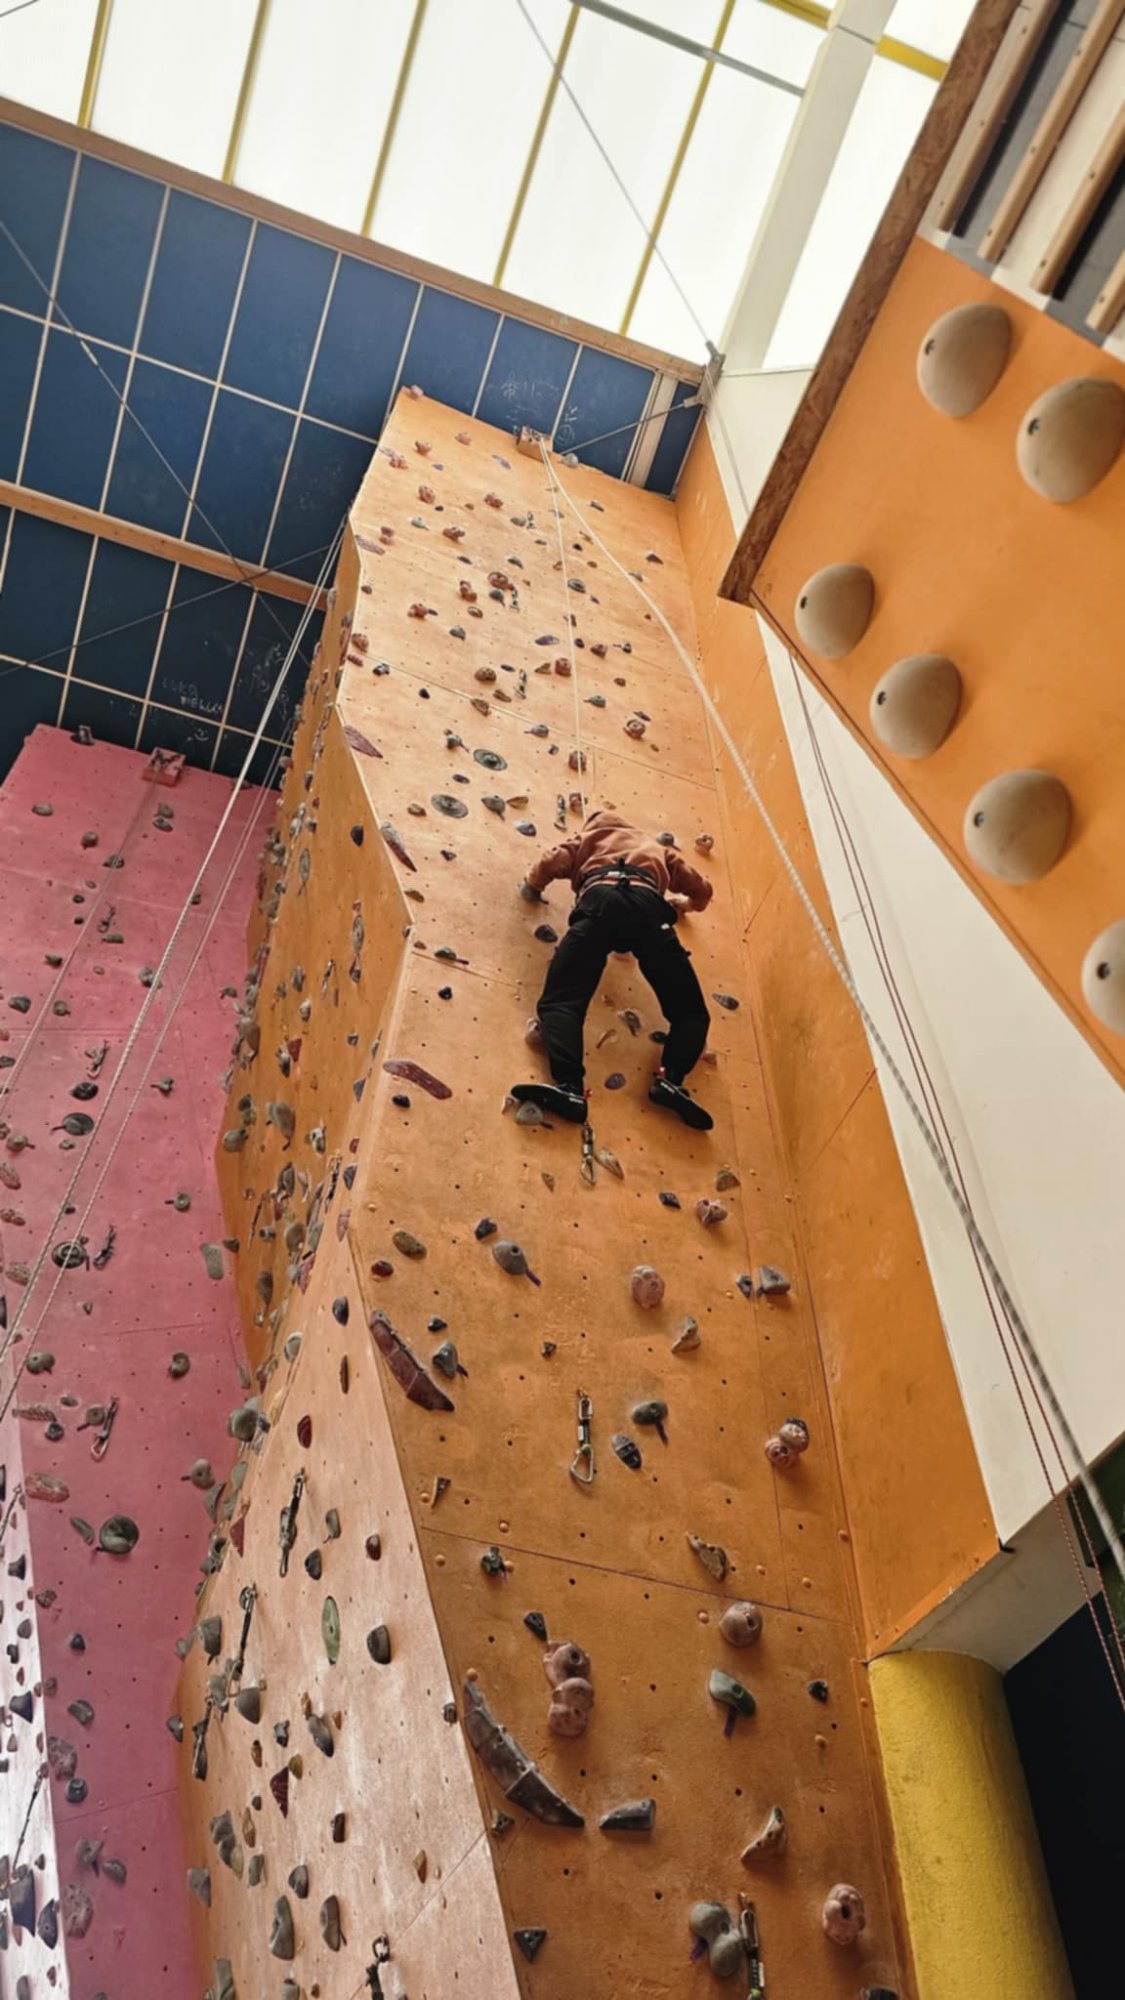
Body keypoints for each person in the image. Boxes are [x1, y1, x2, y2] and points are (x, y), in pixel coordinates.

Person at [511, 809, 714, 1131]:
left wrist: (532, 887)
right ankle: (671, 1080)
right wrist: (687, 906)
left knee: (562, 1001)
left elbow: (550, 861)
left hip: (600, 902)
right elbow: (702, 890)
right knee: (690, 1010)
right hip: (649, 910)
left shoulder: (588, 839)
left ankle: (570, 1088)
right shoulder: (654, 847)